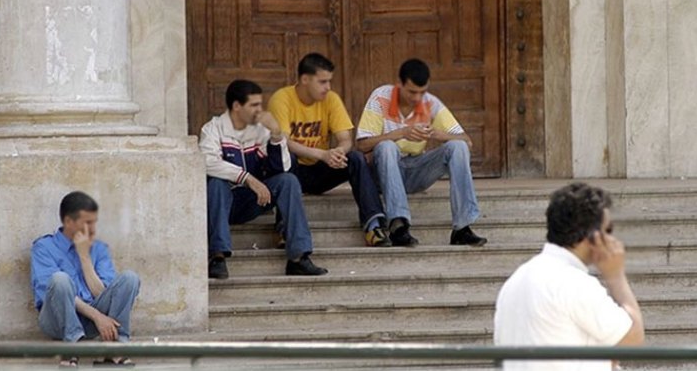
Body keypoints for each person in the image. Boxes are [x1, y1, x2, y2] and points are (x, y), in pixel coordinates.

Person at [493, 183, 645, 371]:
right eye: (608, 230)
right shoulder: (574, 283)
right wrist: (616, 276)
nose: (612, 240)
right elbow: (633, 338)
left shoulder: (516, 280)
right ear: (594, 236)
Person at [200, 79, 328, 279]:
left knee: (289, 181)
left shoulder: (261, 131)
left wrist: (277, 135)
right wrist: (248, 178)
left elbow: (283, 168)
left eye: (261, 104)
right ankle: (217, 256)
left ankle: (298, 258)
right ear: (236, 106)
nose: (260, 110)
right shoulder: (213, 128)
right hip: (221, 203)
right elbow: (207, 163)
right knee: (216, 183)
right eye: (254, 105)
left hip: (251, 201)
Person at [355, 58, 487, 247]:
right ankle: (398, 226)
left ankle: (462, 228)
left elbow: (466, 140)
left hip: (416, 171)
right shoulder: (380, 97)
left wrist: (435, 134)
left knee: (458, 147)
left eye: (422, 92)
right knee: (386, 147)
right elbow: (362, 145)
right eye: (412, 92)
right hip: (383, 174)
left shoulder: (430, 103)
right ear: (399, 85)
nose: (417, 98)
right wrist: (401, 133)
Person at [268, 53, 391, 247]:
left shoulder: (331, 99)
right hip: (292, 172)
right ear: (305, 79)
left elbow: (345, 139)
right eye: (323, 82)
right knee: (286, 155)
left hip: (320, 170)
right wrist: (323, 154)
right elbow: (284, 142)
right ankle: (284, 228)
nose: (328, 87)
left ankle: (374, 226)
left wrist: (338, 152)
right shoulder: (282, 99)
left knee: (356, 158)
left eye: (329, 81)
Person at [30, 191, 141, 368]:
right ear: (68, 222)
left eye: (94, 222)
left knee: (130, 278)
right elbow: (50, 294)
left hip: (94, 323)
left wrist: (85, 258)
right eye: (87, 223)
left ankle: (115, 348)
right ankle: (71, 348)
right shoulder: (44, 247)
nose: (93, 228)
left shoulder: (99, 248)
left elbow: (104, 294)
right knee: (60, 279)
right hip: (57, 319)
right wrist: (97, 316)